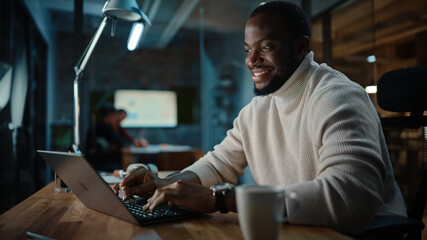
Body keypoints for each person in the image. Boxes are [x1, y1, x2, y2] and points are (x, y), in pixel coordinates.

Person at [114, 1, 406, 234]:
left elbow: (348, 199)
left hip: (359, 233)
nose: (251, 61)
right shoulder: (257, 110)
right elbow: (219, 163)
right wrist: (163, 184)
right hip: (297, 229)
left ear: (300, 47)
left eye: (265, 47)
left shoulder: (337, 97)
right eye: (248, 50)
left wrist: (221, 199)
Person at [85, 104, 130, 171]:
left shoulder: (93, 127)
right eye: (115, 116)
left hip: (91, 165)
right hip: (106, 165)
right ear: (111, 116)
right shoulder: (107, 128)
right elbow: (120, 143)